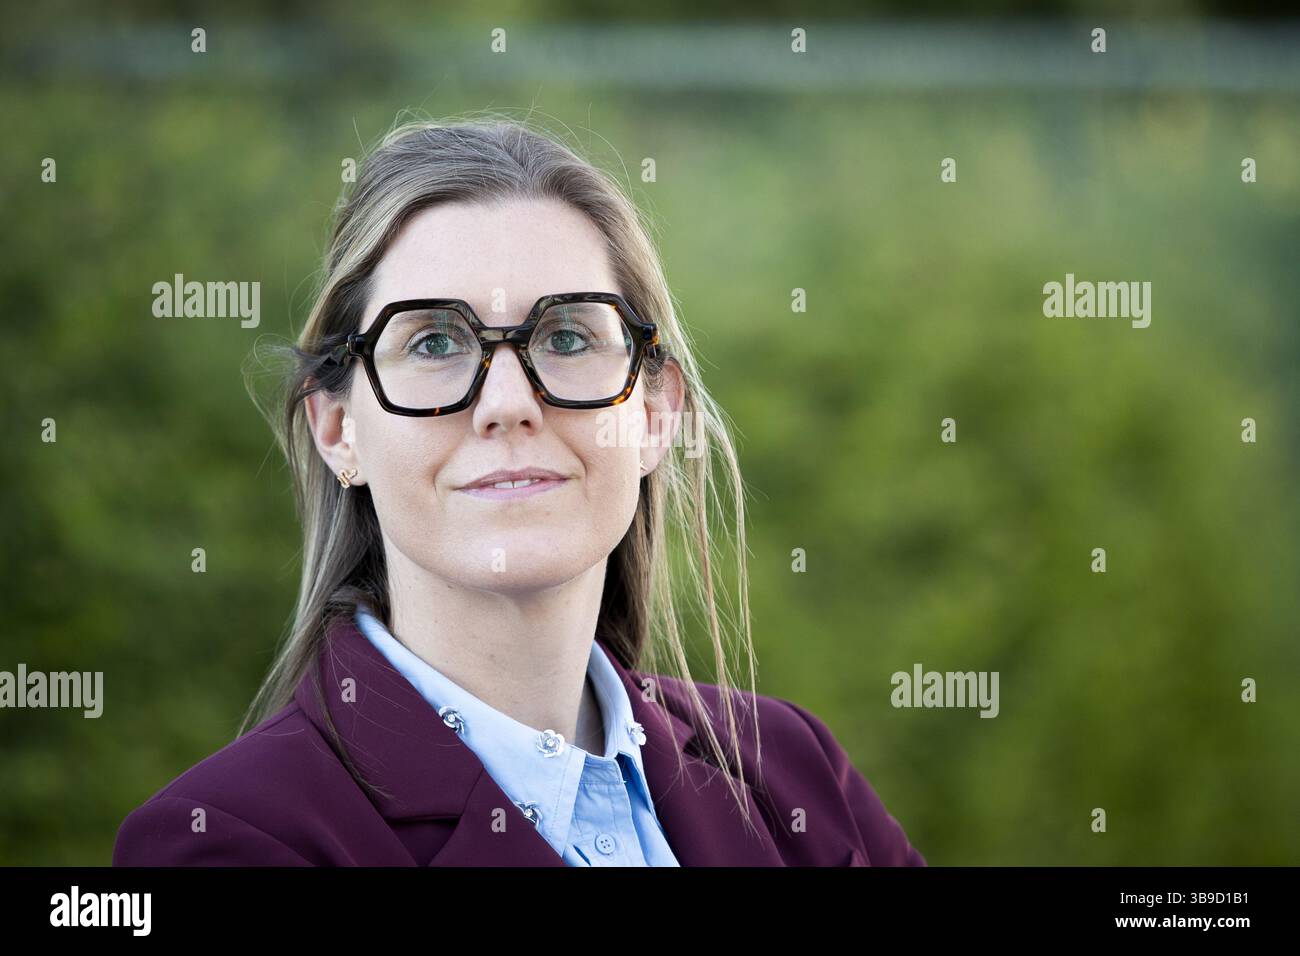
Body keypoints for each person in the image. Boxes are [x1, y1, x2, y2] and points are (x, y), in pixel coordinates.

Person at [112, 114, 926, 867]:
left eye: (567, 335)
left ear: (653, 412)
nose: (507, 405)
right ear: (338, 429)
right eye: (434, 341)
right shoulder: (231, 842)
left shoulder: (794, 775)